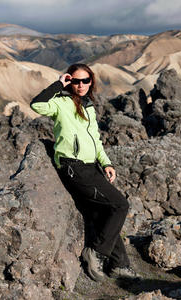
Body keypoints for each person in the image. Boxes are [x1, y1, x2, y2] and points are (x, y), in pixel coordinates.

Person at [30, 63, 136, 281]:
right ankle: (96, 252)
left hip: (91, 166)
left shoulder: (88, 106)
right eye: (75, 81)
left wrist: (106, 163)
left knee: (103, 213)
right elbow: (37, 105)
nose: (80, 85)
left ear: (91, 81)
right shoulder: (60, 102)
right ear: (70, 81)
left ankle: (119, 265)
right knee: (120, 205)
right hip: (73, 166)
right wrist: (59, 84)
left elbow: (95, 139)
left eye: (85, 81)